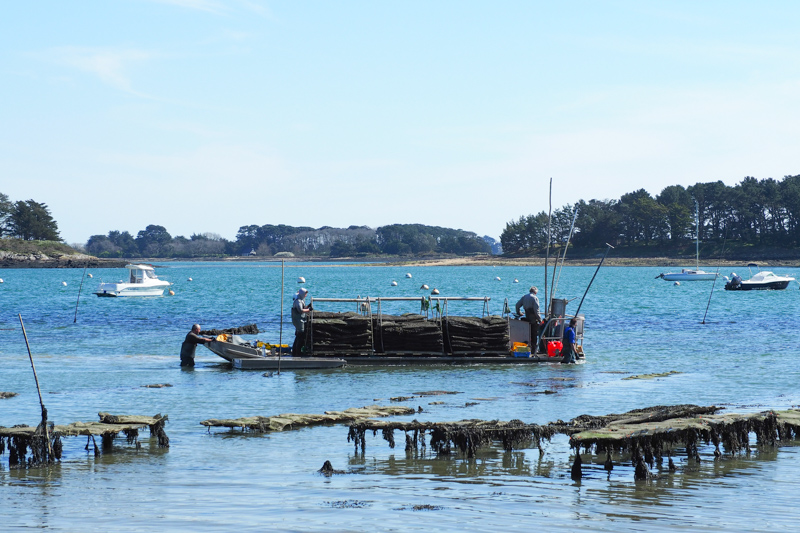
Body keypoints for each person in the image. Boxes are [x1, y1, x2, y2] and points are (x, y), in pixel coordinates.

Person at [515, 286, 541, 352]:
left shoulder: (524, 297)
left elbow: (517, 305)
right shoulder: (535, 298)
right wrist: (540, 320)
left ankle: (527, 347)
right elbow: (536, 311)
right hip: (533, 319)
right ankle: (534, 349)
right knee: (534, 334)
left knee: (527, 334)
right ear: (535, 292)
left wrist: (519, 313)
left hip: (527, 318)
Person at [292, 287, 312, 356]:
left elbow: (303, 308)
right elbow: (300, 310)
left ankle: (295, 351)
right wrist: (308, 310)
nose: (305, 295)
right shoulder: (298, 301)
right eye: (305, 294)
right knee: (300, 336)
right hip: (298, 320)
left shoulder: (301, 300)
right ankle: (297, 352)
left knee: (298, 336)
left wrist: (307, 306)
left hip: (300, 320)